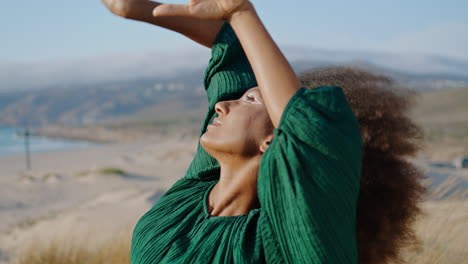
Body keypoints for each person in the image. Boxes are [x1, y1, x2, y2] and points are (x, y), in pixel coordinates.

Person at [101, 1, 426, 263]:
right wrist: (141, 11)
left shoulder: (286, 243)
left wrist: (241, 11)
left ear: (276, 139)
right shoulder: (187, 198)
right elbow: (234, 53)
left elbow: (314, 130)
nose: (221, 106)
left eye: (249, 100)